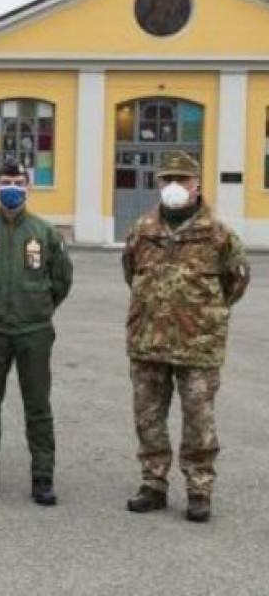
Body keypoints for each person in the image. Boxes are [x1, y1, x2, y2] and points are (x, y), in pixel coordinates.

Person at [121, 152, 248, 523]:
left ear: (197, 186)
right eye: (167, 179)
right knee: (148, 418)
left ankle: (199, 490)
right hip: (148, 342)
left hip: (198, 345)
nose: (174, 186)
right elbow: (132, 273)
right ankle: (153, 484)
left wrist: (203, 315)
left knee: (199, 421)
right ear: (158, 184)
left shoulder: (218, 234)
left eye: (183, 179)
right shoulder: (142, 230)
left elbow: (235, 281)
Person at [0, 161, 70, 507]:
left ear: (28, 188)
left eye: (18, 182)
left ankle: (42, 477)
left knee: (37, 405)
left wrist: (38, 308)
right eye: (6, 181)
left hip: (34, 331)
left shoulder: (45, 233)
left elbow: (62, 281)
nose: (12, 187)